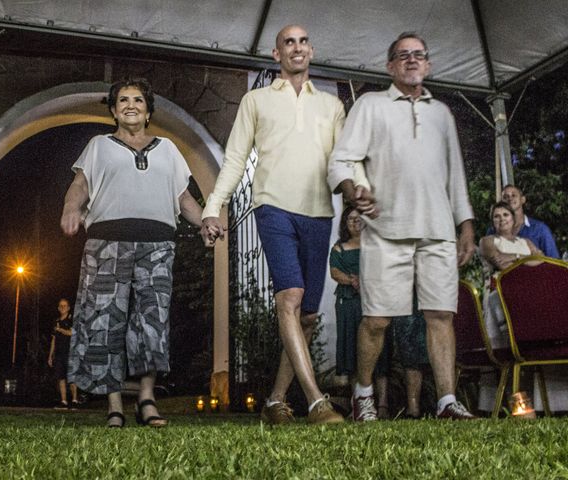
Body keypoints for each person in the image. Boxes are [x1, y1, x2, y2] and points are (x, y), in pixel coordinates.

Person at [328, 32, 476, 421]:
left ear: (428, 65)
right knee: (376, 320)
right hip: (385, 230)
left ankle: (446, 400)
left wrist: (466, 225)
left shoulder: (441, 113)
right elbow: (341, 160)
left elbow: (455, 176)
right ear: (390, 65)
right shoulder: (371, 105)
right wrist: (351, 189)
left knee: (440, 315)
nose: (411, 60)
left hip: (438, 231)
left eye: (418, 55)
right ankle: (363, 395)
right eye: (402, 55)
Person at [201, 25, 345, 424]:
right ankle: (317, 402)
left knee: (309, 316)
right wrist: (214, 206)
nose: (296, 47)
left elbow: (343, 161)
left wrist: (361, 192)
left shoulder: (331, 106)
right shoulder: (256, 101)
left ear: (311, 51)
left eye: (302, 41)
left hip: (319, 212)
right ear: (276, 54)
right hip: (273, 207)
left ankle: (274, 401)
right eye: (288, 42)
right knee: (290, 297)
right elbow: (234, 159)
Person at [60, 77, 205, 428]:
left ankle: (147, 400)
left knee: (151, 322)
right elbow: (80, 184)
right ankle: (113, 405)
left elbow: (184, 199)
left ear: (148, 109)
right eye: (123, 100)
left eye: (138, 100)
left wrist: (206, 222)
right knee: (105, 321)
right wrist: (71, 208)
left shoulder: (169, 149)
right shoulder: (99, 145)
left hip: (157, 245)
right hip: (106, 242)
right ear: (113, 110)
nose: (130, 105)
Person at [331, 207, 428, 419]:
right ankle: (362, 402)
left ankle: (389, 406)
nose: (356, 223)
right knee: (359, 350)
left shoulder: (381, 242)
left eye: (359, 219)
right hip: (356, 301)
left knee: (389, 353)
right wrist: (354, 280)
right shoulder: (341, 247)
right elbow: (335, 270)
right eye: (351, 219)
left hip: (390, 297)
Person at [480, 201, 542, 348]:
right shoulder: (487, 241)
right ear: (492, 221)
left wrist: (515, 257)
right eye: (497, 216)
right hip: (500, 291)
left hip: (529, 290)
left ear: (513, 219)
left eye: (505, 215)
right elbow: (500, 264)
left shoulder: (526, 241)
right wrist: (527, 259)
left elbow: (541, 260)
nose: (502, 219)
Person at [487, 185, 559, 258]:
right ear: (501, 201)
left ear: (523, 199)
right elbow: (493, 259)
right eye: (505, 197)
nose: (510, 199)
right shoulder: (493, 231)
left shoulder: (540, 229)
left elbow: (553, 260)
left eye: (514, 195)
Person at [47, 298, 79, 409]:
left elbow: (72, 333)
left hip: (70, 352)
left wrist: (61, 330)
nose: (62, 307)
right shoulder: (56, 321)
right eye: (60, 306)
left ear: (69, 308)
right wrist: (50, 355)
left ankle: (74, 400)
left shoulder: (71, 320)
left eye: (65, 306)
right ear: (58, 308)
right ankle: (64, 401)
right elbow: (53, 340)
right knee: (61, 377)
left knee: (71, 377)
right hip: (59, 354)